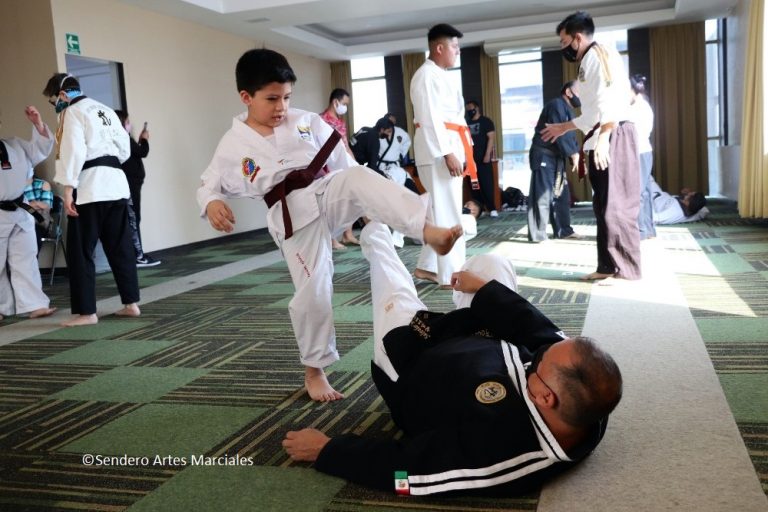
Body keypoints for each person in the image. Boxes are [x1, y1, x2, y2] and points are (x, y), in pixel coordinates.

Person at [196, 48, 463, 402]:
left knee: (356, 177)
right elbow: (208, 184)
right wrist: (212, 202)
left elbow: (344, 162)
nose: (281, 107)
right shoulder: (233, 144)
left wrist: (368, 201)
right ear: (246, 97)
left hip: (325, 192)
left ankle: (427, 230)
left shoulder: (306, 121)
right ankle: (315, 369)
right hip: (292, 218)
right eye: (272, 99)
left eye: (287, 97)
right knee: (314, 290)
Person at [282, 222, 623, 496]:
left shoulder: (503, 454)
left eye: (540, 362)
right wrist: (485, 289)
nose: (540, 352)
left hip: (413, 357)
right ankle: (466, 288)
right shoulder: (586, 394)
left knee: (392, 281)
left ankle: (374, 229)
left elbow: (411, 476)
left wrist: (328, 452)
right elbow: (539, 330)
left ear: (546, 398)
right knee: (492, 265)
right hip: (473, 336)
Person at [541, 11, 641, 281]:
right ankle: (607, 266)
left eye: (564, 42)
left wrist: (605, 139)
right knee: (603, 205)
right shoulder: (588, 60)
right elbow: (591, 112)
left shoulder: (599, 55)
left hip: (612, 134)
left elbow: (609, 99)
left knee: (616, 207)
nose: (563, 48)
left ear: (577, 38)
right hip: (601, 134)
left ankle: (625, 270)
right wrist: (564, 127)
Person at [43, 73, 140, 326]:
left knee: (81, 250)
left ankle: (87, 312)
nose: (55, 107)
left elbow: (73, 151)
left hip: (90, 188)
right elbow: (125, 149)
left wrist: (68, 190)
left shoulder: (71, 112)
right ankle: (131, 303)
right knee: (120, 246)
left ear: (62, 95)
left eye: (54, 102)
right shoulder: (105, 109)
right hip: (117, 184)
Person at [411, 23, 474, 288]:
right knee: (447, 213)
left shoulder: (440, 75)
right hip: (438, 151)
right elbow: (430, 118)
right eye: (454, 47)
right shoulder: (425, 75)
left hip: (448, 145)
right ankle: (450, 274)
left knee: (441, 211)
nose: (457, 52)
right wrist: (447, 153)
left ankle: (427, 267)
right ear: (439, 48)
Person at [0, 106, 58, 322]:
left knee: (26, 259)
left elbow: (40, 150)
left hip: (19, 209)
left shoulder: (15, 145)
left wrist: (38, 125)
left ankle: (35, 305)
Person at [527, 82, 581, 242]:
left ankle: (564, 230)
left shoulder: (569, 111)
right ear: (568, 92)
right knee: (542, 195)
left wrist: (576, 152)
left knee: (561, 194)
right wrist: (573, 153)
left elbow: (570, 135)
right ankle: (538, 235)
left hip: (556, 157)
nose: (582, 95)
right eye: (580, 91)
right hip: (543, 155)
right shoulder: (556, 105)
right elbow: (559, 131)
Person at [114, 110, 160, 267]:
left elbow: (136, 152)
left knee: (133, 218)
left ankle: (136, 255)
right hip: (130, 184)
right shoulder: (123, 137)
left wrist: (140, 140)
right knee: (133, 218)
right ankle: (138, 256)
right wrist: (145, 140)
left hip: (133, 183)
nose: (129, 125)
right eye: (127, 122)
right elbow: (142, 152)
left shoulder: (124, 138)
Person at [320, 88, 359, 249]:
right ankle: (331, 238)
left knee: (348, 198)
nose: (345, 108)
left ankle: (347, 234)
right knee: (331, 203)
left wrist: (354, 163)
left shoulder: (340, 122)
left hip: (343, 164)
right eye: (344, 104)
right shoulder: (321, 120)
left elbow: (345, 145)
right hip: (329, 167)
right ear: (335, 102)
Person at [628, 74, 656, 239]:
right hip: (644, 151)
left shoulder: (638, 107)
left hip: (639, 151)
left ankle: (640, 230)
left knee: (637, 192)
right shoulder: (642, 105)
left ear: (633, 90)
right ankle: (648, 229)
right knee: (644, 191)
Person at [465, 100, 497, 217]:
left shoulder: (486, 121)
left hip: (483, 159)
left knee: (487, 184)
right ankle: (480, 208)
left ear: (477, 108)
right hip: (470, 161)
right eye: (467, 109)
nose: (469, 110)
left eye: (471, 108)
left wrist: (487, 154)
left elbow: (491, 138)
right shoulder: (466, 123)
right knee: (474, 186)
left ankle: (492, 208)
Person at [23, 176, 54, 252]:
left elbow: (46, 207)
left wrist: (25, 205)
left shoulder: (43, 184)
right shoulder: (12, 188)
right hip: (20, 221)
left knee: (33, 232)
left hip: (40, 222)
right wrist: (36, 204)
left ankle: (32, 258)